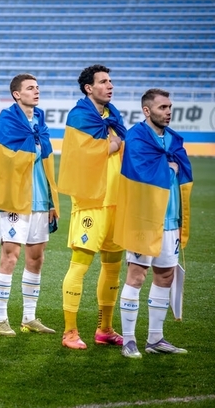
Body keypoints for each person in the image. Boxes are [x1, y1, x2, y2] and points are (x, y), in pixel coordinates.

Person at [114, 89, 193, 358]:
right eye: (162, 107)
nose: (168, 112)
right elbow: (139, 171)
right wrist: (168, 167)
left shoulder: (173, 139)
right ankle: (128, 341)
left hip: (170, 218)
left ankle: (155, 339)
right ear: (147, 111)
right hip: (143, 219)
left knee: (166, 275)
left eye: (169, 107)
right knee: (137, 275)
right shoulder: (136, 137)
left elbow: (182, 170)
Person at [0, 74, 59, 336]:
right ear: (17, 94)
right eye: (30, 88)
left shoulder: (40, 121)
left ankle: (29, 317)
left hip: (39, 200)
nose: (36, 91)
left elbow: (46, 162)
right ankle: (1, 320)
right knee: (10, 257)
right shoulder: (8, 120)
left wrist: (51, 201)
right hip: (16, 200)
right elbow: (5, 161)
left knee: (36, 259)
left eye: (37, 87)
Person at [58, 64, 127, 349]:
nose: (110, 86)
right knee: (80, 266)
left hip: (116, 200)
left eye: (111, 81)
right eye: (103, 81)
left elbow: (122, 144)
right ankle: (69, 332)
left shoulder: (113, 115)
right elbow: (79, 156)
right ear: (89, 88)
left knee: (113, 267)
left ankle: (105, 329)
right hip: (91, 202)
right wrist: (112, 145)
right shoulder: (79, 116)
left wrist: (116, 144)